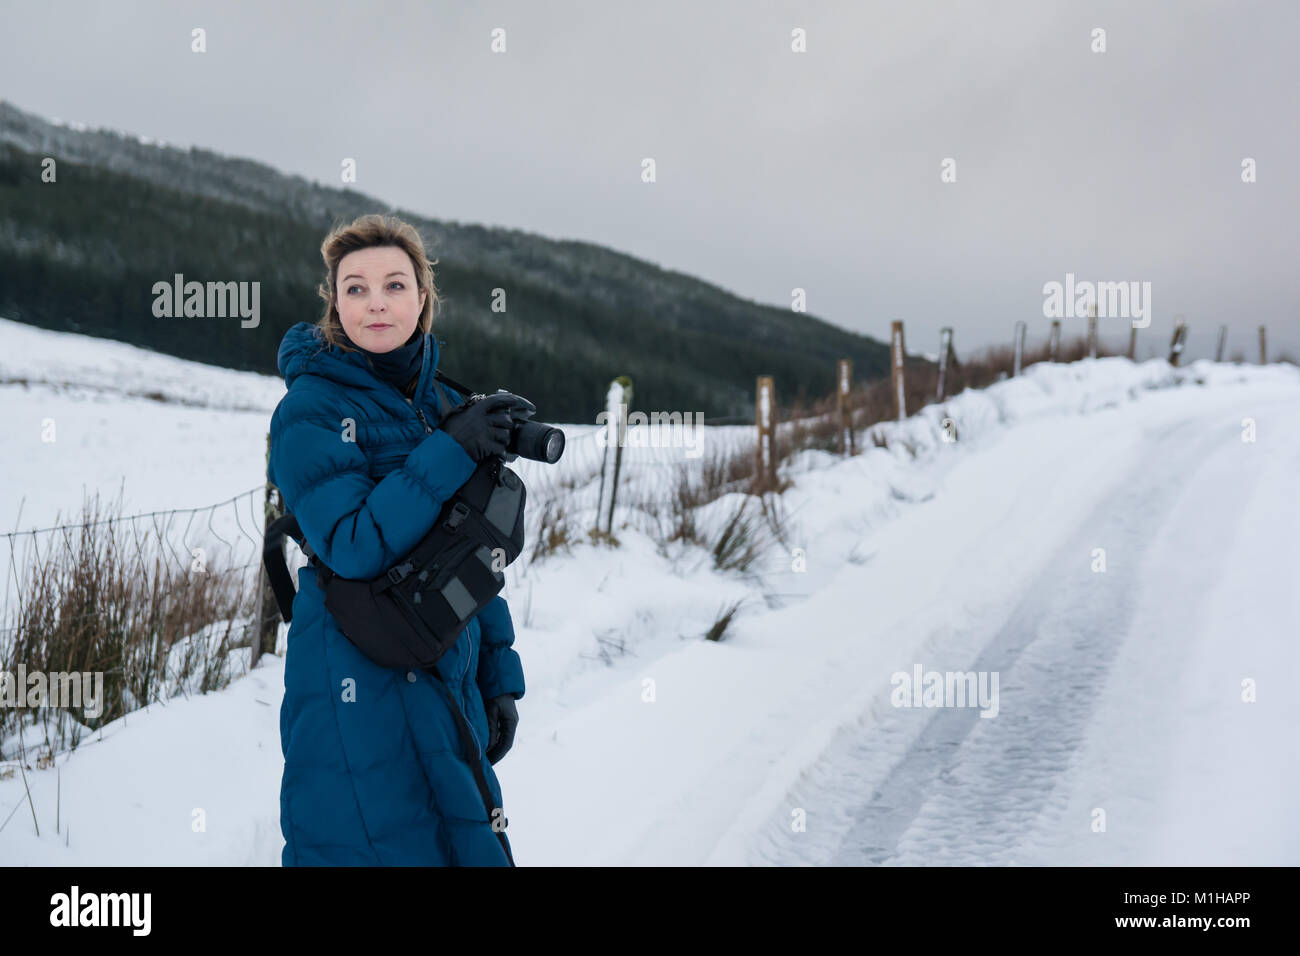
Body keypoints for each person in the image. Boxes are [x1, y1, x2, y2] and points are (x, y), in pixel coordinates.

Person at [268, 213, 526, 866]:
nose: (375, 302)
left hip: (447, 673)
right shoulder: (310, 410)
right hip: (354, 682)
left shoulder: (439, 403)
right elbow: (352, 544)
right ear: (334, 303)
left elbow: (474, 554)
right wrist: (448, 451)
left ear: (422, 299)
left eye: (394, 285)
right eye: (354, 288)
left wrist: (499, 677)